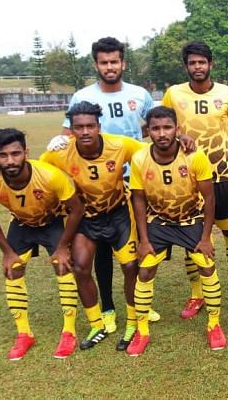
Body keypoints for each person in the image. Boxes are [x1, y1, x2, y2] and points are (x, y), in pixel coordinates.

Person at [46, 36, 159, 340]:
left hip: (130, 185)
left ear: (123, 63)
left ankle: (139, 307)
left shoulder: (140, 94)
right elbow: (69, 135)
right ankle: (106, 308)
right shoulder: (83, 96)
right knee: (99, 257)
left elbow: (153, 129)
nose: (110, 67)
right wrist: (58, 141)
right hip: (92, 188)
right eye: (104, 62)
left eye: (114, 61)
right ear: (96, 64)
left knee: (132, 256)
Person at [40, 101, 145, 351]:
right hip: (86, 218)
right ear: (71, 130)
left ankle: (132, 323)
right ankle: (97, 324)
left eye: (90, 126)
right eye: (79, 127)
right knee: (81, 268)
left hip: (119, 213)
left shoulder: (120, 144)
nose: (85, 132)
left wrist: (183, 139)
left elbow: (153, 153)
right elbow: (34, 171)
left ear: (99, 126)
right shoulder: (60, 152)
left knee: (131, 267)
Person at [0, 128, 84, 360]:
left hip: (53, 221)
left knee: (63, 264)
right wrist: (6, 251)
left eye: (15, 153)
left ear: (25, 152)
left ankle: (69, 331)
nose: (10, 160)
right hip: (22, 224)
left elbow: (76, 210)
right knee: (12, 270)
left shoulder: (49, 175)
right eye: (2, 155)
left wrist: (64, 246)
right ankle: (24, 334)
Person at [127, 106, 226, 356]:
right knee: (146, 268)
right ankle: (142, 330)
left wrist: (205, 237)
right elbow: (138, 200)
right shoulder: (140, 158)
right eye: (156, 129)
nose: (162, 133)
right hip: (158, 220)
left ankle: (214, 324)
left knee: (206, 264)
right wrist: (143, 239)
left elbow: (209, 198)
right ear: (148, 131)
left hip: (190, 218)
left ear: (177, 130)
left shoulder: (195, 156)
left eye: (167, 127)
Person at [161, 41, 228, 319]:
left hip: (222, 178)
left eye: (202, 62)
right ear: (186, 66)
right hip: (188, 180)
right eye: (192, 62)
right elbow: (163, 126)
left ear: (211, 64)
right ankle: (196, 294)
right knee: (194, 239)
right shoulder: (174, 94)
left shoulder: (227, 93)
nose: (197, 67)